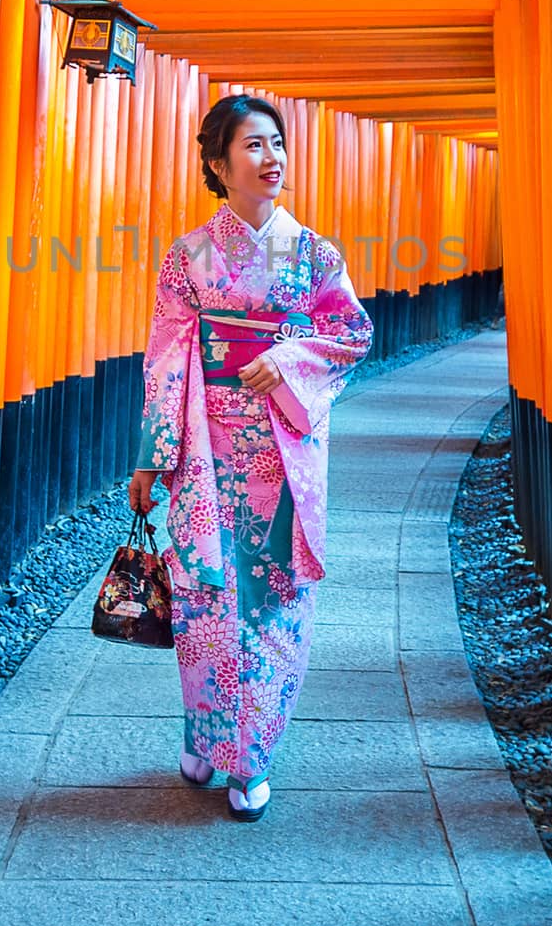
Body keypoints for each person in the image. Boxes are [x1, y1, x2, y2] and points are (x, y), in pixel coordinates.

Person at [128, 94, 374, 822]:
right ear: (217, 164)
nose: (273, 160)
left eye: (278, 144)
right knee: (206, 593)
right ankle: (206, 732)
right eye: (254, 147)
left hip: (282, 449)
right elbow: (168, 358)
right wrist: (152, 458)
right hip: (208, 449)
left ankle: (254, 753)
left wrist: (289, 355)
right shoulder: (190, 257)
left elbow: (351, 334)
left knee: (275, 601)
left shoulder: (316, 255)